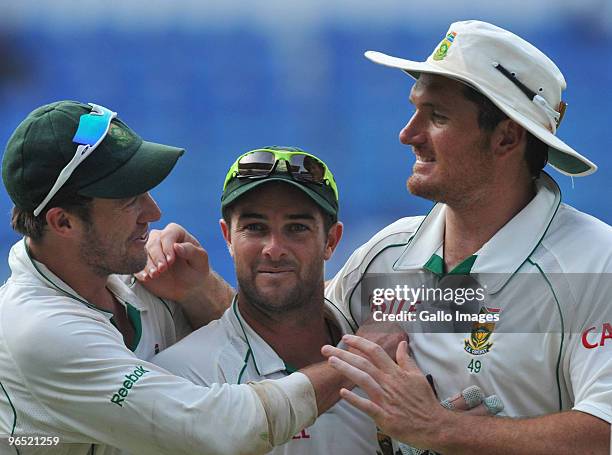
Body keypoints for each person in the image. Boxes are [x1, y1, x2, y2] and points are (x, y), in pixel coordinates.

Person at [0, 101, 397, 455]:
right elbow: (218, 431)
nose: (153, 212)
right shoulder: (39, 331)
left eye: (296, 228)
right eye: (128, 200)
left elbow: (258, 329)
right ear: (63, 221)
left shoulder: (141, 281)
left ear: (333, 240)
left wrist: (199, 286)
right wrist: (359, 359)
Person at [319, 20, 612, 454]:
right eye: (416, 109)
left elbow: (604, 433)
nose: (408, 134)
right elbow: (280, 345)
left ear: (507, 138)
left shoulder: (596, 262)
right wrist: (198, 289)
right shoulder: (387, 251)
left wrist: (441, 430)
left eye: (437, 116)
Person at [153, 146, 400, 454]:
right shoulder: (181, 376)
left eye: (297, 228)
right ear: (228, 237)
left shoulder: (389, 330)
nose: (274, 248)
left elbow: (470, 296)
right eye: (255, 228)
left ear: (331, 241)